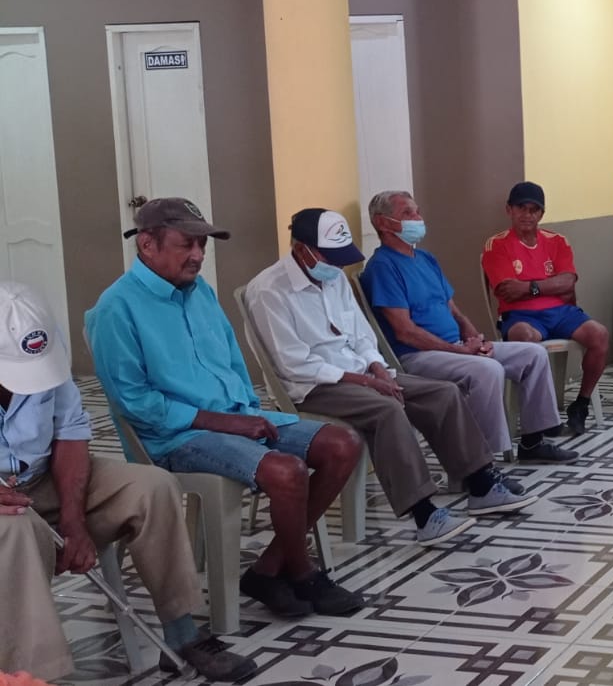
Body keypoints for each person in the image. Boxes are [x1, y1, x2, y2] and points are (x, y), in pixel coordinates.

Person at [88, 198, 365, 618]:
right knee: (286, 471)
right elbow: (135, 402)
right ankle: (303, 573)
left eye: (202, 244)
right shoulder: (115, 308)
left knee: (343, 444)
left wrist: (247, 411)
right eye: (186, 244)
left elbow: (232, 360)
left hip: (236, 417)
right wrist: (226, 422)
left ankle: (268, 568)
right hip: (176, 437)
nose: (198, 255)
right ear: (147, 244)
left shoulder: (200, 292)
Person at [1, 281, 257, 682]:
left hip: (42, 475)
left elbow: (69, 429)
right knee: (16, 528)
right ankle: (31, 675)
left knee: (153, 487)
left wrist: (73, 521)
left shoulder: (44, 341)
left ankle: (182, 635)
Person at [247, 209, 534, 546]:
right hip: (315, 385)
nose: (337, 266)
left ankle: (480, 484)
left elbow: (361, 334)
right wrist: (367, 382)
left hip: (359, 371)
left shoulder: (334, 278)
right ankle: (424, 513)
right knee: (386, 409)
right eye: (331, 257)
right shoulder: (269, 290)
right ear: (301, 249)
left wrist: (377, 367)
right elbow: (294, 364)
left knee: (443, 394)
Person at [361, 191, 579, 465]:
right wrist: (459, 351)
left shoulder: (425, 258)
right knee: (488, 369)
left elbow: (453, 310)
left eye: (417, 211)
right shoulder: (382, 267)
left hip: (455, 348)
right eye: (407, 213)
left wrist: (476, 340)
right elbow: (405, 331)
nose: (417, 218)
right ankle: (480, 464)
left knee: (533, 355)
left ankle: (533, 442)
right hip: (418, 355)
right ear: (383, 223)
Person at [483, 181, 609, 435]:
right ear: (509, 210)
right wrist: (550, 285)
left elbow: (568, 282)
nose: (527, 215)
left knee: (599, 335)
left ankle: (581, 405)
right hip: (520, 315)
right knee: (524, 338)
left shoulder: (557, 241)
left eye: (534, 210)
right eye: (521, 208)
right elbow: (507, 289)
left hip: (562, 313)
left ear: (542, 213)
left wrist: (529, 287)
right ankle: (540, 416)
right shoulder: (496, 244)